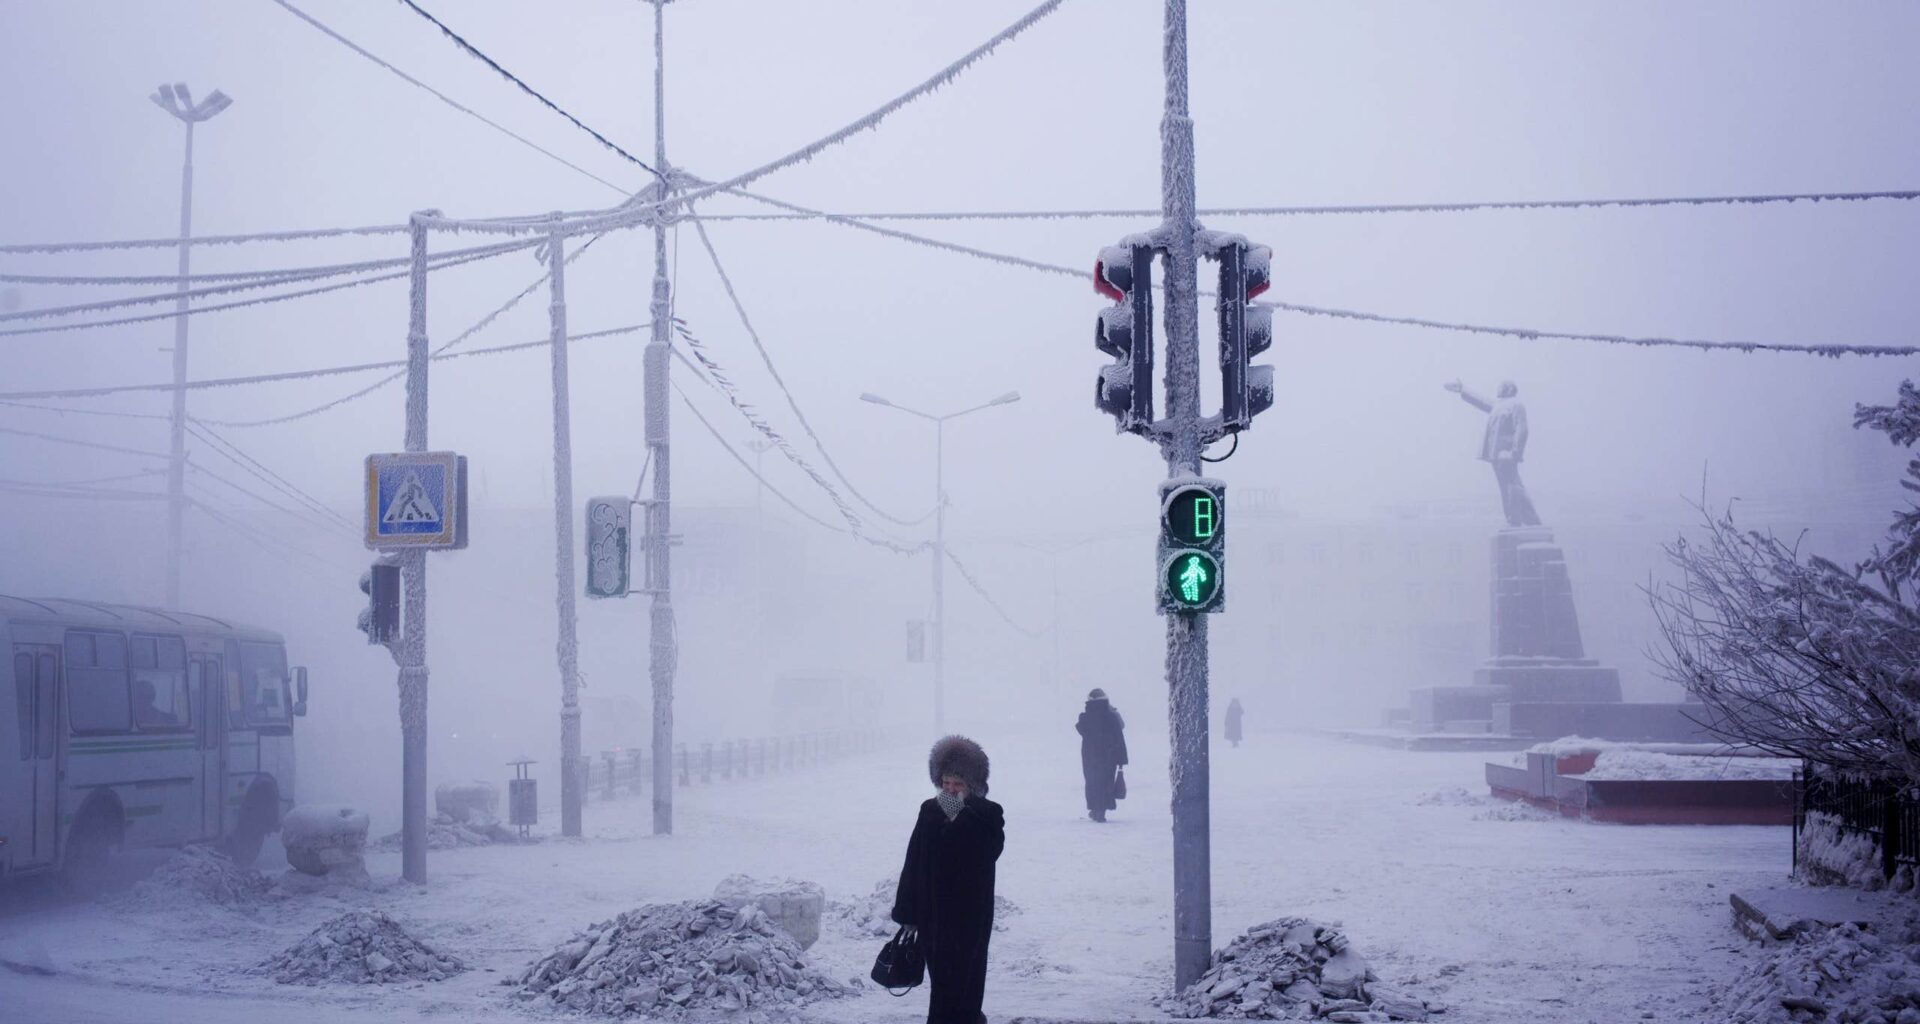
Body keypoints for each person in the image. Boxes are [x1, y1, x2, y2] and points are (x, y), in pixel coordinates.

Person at [892, 735, 1005, 1024]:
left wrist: (959, 816)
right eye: (946, 782)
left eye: (958, 783)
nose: (950, 790)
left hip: (969, 918)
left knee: (965, 982)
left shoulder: (987, 814)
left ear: (972, 785)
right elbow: (914, 860)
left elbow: (988, 851)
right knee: (943, 985)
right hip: (933, 917)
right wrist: (907, 911)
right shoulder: (929, 809)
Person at [1443, 378, 1542, 527]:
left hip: (1506, 453)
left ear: (1509, 389)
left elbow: (1522, 429)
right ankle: (1513, 519)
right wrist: (1463, 389)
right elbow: (1481, 401)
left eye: (1501, 387)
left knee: (1514, 487)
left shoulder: (1516, 405)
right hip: (1496, 455)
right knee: (1506, 488)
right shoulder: (1498, 405)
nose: (1498, 389)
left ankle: (1532, 520)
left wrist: (1515, 452)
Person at [1076, 689, 1128, 822]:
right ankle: (1101, 811)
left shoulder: (1085, 717)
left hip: (1090, 756)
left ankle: (1095, 809)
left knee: (1092, 782)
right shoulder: (1111, 717)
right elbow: (1119, 734)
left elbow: (1080, 728)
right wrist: (1122, 759)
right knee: (1106, 782)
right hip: (1109, 756)